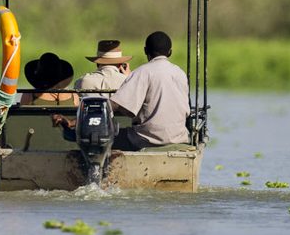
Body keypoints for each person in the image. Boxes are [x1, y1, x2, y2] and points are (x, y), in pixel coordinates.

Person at [54, 31, 189, 151]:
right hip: (179, 138)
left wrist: (73, 122)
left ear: (145, 50)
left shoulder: (142, 73)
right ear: (170, 52)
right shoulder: (180, 74)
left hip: (146, 140)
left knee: (97, 137)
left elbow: (113, 106)